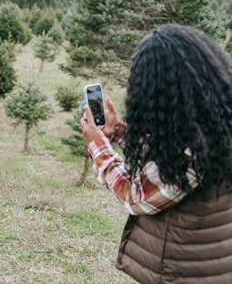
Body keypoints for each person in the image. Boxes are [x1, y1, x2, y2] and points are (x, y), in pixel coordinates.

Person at [80, 24, 232, 284]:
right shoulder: (216, 122)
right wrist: (119, 133)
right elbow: (167, 157)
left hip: (186, 271)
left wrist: (99, 148)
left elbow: (135, 195)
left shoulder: (193, 151)